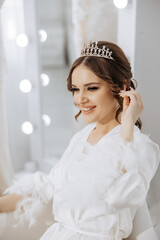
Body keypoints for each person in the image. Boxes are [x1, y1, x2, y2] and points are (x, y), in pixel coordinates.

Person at [0, 41, 159, 240]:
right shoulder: (81, 138)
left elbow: (123, 195)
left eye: (91, 88)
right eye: (75, 89)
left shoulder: (141, 147)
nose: (80, 99)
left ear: (121, 88)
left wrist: (127, 125)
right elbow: (46, 188)